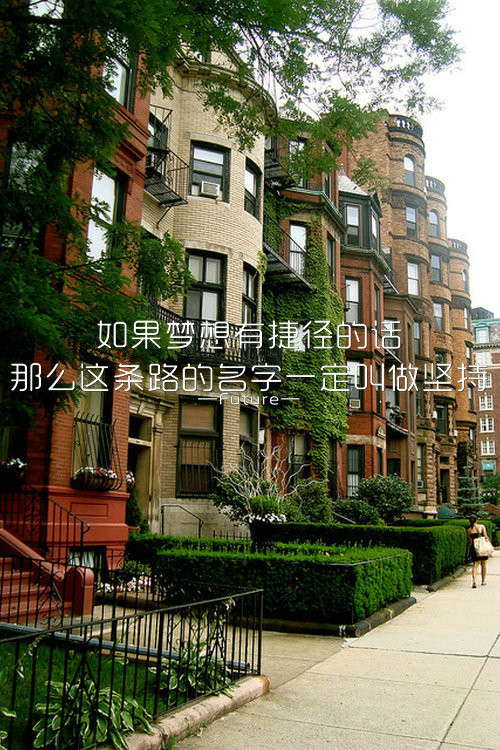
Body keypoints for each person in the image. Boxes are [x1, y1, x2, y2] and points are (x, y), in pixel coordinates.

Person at [467, 515, 491, 588]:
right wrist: (489, 543)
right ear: (477, 520)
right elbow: (485, 536)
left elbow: (470, 541)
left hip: (474, 548)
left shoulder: (469, 530)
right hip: (482, 548)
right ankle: (483, 581)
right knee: (483, 564)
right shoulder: (481, 527)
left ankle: (474, 581)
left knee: (475, 564)